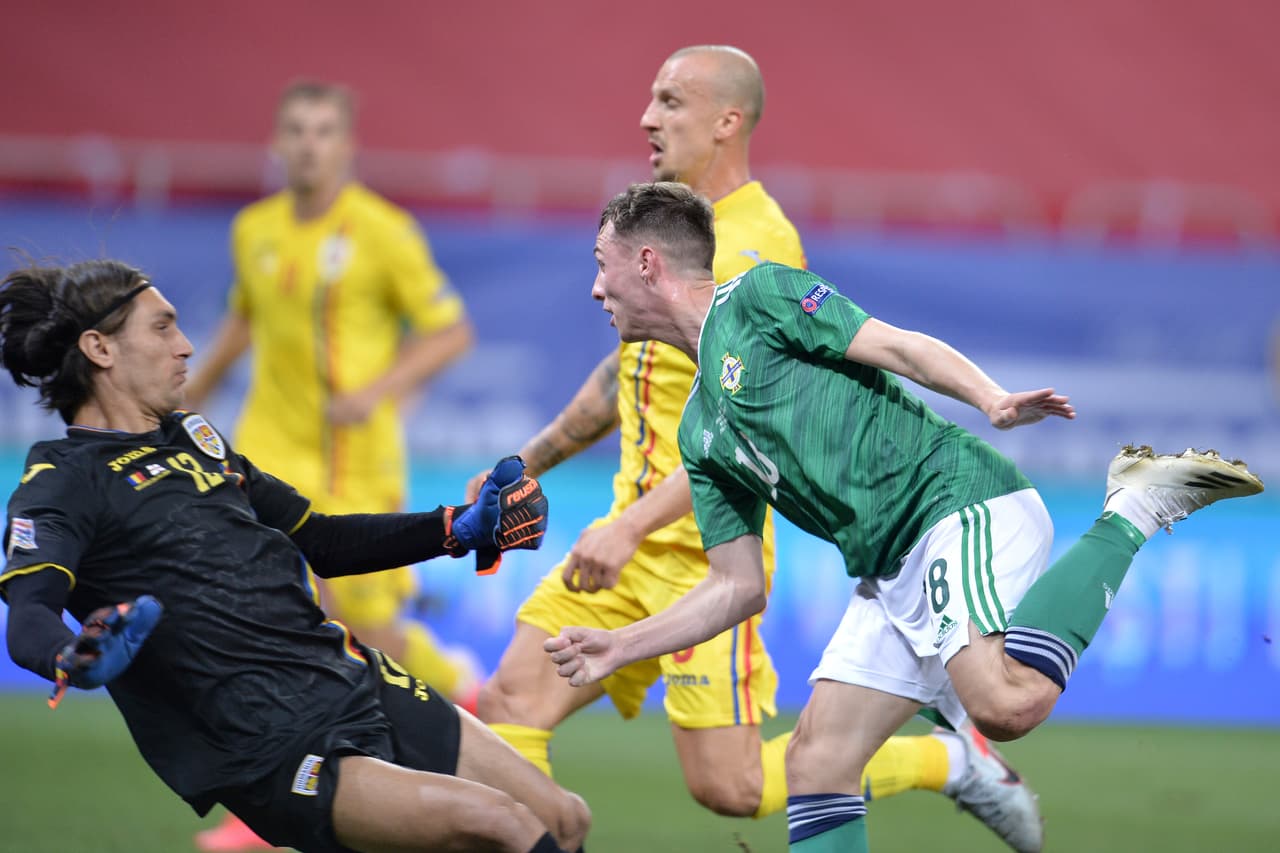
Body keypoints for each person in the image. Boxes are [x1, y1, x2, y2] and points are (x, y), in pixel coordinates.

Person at [544, 181, 1265, 853]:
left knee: (1004, 703)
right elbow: (737, 586)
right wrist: (619, 646)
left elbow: (895, 344)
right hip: (889, 569)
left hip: (955, 501)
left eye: (602, 265)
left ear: (647, 262)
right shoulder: (700, 429)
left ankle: (1133, 505)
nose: (595, 287)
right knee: (817, 760)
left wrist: (991, 399)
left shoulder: (758, 298)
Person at [473, 44, 1043, 852]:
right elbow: (619, 376)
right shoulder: (660, 232)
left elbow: (751, 429)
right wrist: (526, 464)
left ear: (726, 120)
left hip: (701, 547)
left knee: (731, 786)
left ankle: (943, 759)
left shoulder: (757, 245)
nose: (647, 117)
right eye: (651, 99)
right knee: (508, 706)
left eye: (671, 101)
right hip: (618, 539)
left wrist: (635, 525)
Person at [0, 260, 587, 853]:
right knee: (503, 826)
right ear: (99, 348)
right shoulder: (60, 482)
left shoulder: (193, 439)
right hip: (273, 743)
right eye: (161, 329)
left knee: (564, 820)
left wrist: (458, 528)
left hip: (350, 676)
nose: (185, 347)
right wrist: (71, 656)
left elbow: (321, 540)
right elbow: (28, 613)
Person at [184, 79, 481, 851]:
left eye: (323, 130)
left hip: (358, 464)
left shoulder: (384, 232)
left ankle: (457, 686)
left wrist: (378, 390)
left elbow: (449, 332)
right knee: (271, 621)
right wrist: (176, 406)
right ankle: (270, 807)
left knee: (365, 630)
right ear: (277, 143)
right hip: (269, 459)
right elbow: (242, 322)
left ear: (347, 145)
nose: (309, 143)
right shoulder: (253, 230)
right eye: (296, 130)